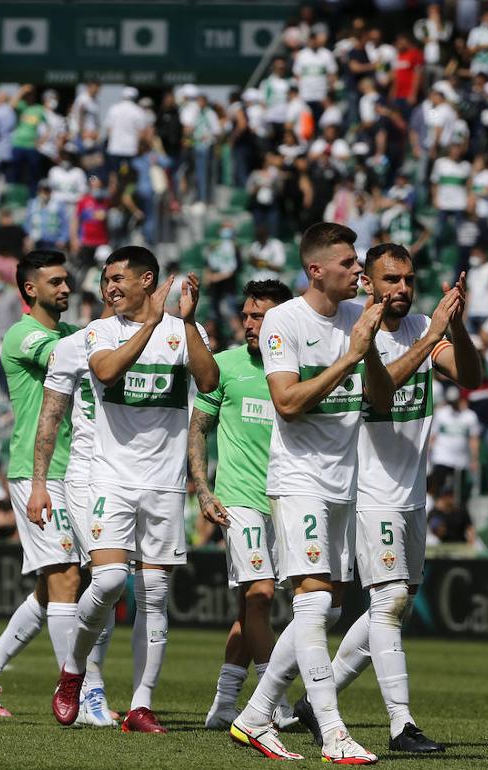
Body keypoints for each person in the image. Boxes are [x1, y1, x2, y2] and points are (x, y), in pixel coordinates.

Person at [292, 242, 480, 755]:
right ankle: (402, 726)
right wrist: (434, 335)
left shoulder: (423, 326)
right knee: (390, 600)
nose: (401, 289)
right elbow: (380, 389)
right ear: (369, 284)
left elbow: (471, 377)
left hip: (410, 490)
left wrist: (455, 326)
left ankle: (315, 696)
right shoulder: (356, 329)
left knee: (390, 604)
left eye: (408, 280)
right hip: (365, 487)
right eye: (390, 279)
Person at [229, 223, 393, 763]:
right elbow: (288, 402)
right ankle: (333, 733)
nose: (360, 272)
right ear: (316, 269)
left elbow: (382, 401)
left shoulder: (355, 317)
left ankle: (255, 717)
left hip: (345, 482)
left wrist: (367, 349)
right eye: (349, 264)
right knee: (315, 601)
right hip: (299, 478)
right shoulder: (284, 319)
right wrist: (349, 356)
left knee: (321, 611)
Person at [50, 246, 217, 733]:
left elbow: (209, 381)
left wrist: (185, 323)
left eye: (119, 278)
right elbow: (106, 372)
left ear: (148, 279)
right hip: (110, 478)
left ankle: (141, 705)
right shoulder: (100, 331)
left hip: (164, 483)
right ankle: (73, 670)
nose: (110, 287)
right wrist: (152, 325)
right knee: (106, 583)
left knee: (155, 594)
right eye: (106, 280)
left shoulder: (187, 333)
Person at [0, 251, 85, 719]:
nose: (66, 289)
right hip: (38, 471)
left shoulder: (75, 335)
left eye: (67, 281)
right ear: (30, 289)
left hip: (78, 470)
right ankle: (81, 692)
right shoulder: (23, 333)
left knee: (56, 586)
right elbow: (65, 357)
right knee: (66, 577)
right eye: (55, 282)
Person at [193, 280, 300, 730]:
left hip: (287, 498)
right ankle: (273, 700)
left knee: (249, 610)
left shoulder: (299, 370)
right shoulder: (224, 367)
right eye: (248, 316)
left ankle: (223, 702)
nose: (251, 324)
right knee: (259, 596)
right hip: (238, 500)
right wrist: (202, 488)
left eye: (261, 317)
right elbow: (197, 428)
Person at [28, 271, 118, 727]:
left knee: (110, 586)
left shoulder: (155, 337)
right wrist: (39, 482)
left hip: (135, 481)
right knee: (92, 579)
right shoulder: (74, 344)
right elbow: (50, 414)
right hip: (80, 477)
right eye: (110, 287)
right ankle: (86, 686)